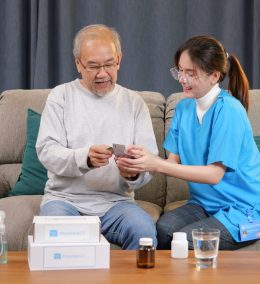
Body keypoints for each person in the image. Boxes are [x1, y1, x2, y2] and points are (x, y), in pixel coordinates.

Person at [116, 35, 260, 250]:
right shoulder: (183, 109)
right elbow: (171, 163)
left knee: (185, 239)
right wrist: (143, 159)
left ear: (214, 76)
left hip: (243, 210)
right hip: (205, 204)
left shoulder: (229, 111)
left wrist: (155, 164)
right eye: (179, 71)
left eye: (190, 73)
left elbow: (214, 174)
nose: (182, 79)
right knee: (164, 229)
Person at [36, 24, 158, 249]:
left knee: (144, 233)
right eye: (93, 66)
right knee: (52, 236)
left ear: (119, 60)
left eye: (109, 64)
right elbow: (46, 151)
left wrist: (133, 173)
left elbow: (149, 162)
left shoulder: (134, 103)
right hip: (65, 201)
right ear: (78, 65)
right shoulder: (60, 97)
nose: (102, 73)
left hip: (116, 203)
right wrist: (86, 159)